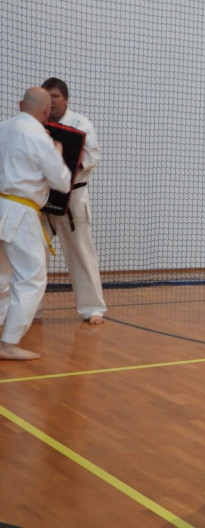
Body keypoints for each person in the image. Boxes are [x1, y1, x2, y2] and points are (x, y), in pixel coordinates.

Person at [0, 87, 72, 360]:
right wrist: (58, 150)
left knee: (2, 275)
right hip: (20, 211)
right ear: (46, 112)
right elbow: (62, 182)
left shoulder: (3, 128)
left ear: (21, 104)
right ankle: (8, 344)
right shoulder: (39, 136)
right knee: (31, 278)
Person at [40, 78, 106, 325]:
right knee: (35, 255)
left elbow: (92, 157)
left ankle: (93, 308)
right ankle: (30, 309)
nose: (51, 102)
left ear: (66, 99)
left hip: (73, 197)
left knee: (81, 253)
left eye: (55, 96)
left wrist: (66, 166)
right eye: (47, 97)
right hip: (41, 198)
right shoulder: (37, 124)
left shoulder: (80, 123)